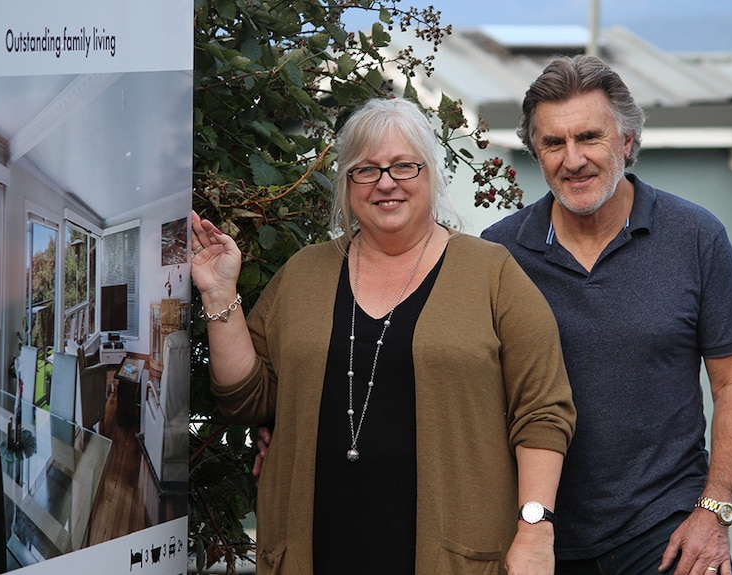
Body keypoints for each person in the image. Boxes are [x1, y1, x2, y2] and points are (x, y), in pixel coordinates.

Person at [191, 97, 576, 575]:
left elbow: (543, 411)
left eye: (403, 166)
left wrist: (535, 530)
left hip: (453, 555)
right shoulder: (302, 276)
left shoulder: (492, 274)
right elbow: (248, 401)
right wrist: (218, 293)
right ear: (346, 184)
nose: (386, 182)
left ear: (430, 173)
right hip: (319, 547)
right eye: (366, 170)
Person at [480, 55, 732, 575]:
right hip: (541, 534)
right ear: (536, 154)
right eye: (553, 143)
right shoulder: (498, 255)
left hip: (669, 532)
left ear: (626, 141)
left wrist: (715, 511)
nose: (573, 159)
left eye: (589, 137)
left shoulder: (696, 238)